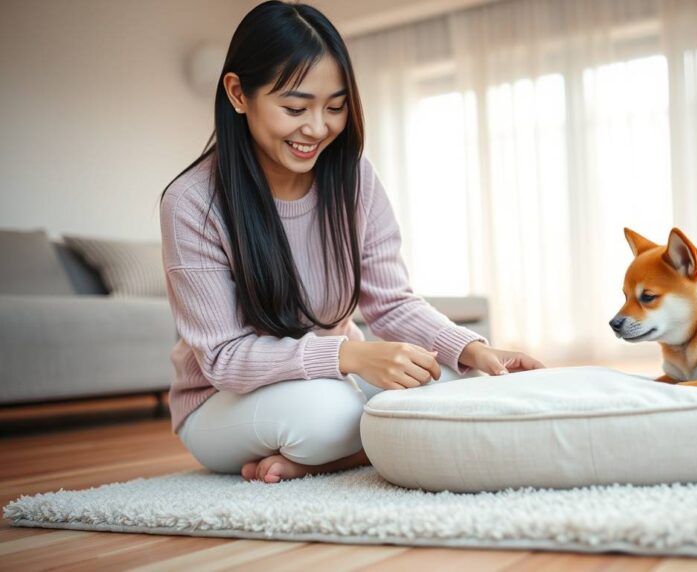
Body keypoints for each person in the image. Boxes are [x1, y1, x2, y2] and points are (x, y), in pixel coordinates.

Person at [159, 0, 544, 484]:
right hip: (221, 401)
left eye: (335, 107)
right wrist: (346, 356)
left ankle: (341, 457)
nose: (318, 128)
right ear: (238, 94)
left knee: (456, 386)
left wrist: (470, 350)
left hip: (333, 375)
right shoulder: (192, 202)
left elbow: (391, 303)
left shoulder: (354, 178)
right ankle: (359, 447)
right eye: (295, 107)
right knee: (329, 413)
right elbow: (224, 359)